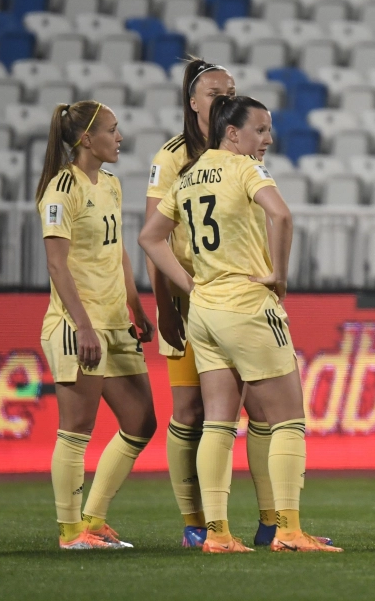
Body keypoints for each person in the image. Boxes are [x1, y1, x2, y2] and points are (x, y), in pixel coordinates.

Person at [141, 95, 339, 554]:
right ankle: (288, 531)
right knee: (288, 419)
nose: (267, 139)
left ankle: (217, 534)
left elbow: (149, 236)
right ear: (233, 133)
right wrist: (279, 275)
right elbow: (281, 214)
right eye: (260, 129)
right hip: (247, 304)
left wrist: (188, 282)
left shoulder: (188, 175)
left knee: (219, 424)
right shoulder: (246, 168)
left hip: (206, 309)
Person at [145, 58, 281, 549]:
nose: (225, 96)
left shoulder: (243, 147)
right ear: (193, 102)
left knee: (255, 412)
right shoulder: (173, 157)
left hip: (232, 297)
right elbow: (153, 237)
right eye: (214, 91)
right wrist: (166, 303)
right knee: (190, 412)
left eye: (232, 89)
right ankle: (197, 521)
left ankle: (268, 521)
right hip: (193, 299)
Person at [35, 100, 157, 550]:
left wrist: (136, 306)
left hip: (114, 322)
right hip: (76, 325)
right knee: (76, 429)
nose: (120, 136)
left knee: (141, 422)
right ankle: (71, 534)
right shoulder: (60, 191)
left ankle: (93, 519)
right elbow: (57, 264)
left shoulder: (110, 183)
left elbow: (118, 249)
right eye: (113, 128)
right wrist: (83, 326)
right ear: (87, 138)